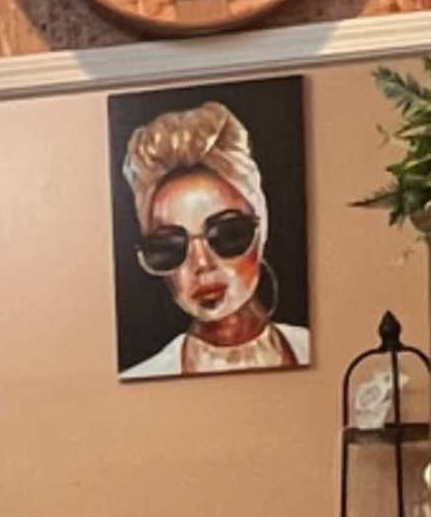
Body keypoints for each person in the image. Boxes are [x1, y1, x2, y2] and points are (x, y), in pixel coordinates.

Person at [120, 100, 302, 374]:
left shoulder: (312, 347)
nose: (202, 263)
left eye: (227, 235)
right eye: (169, 247)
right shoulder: (144, 374)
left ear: (261, 233)